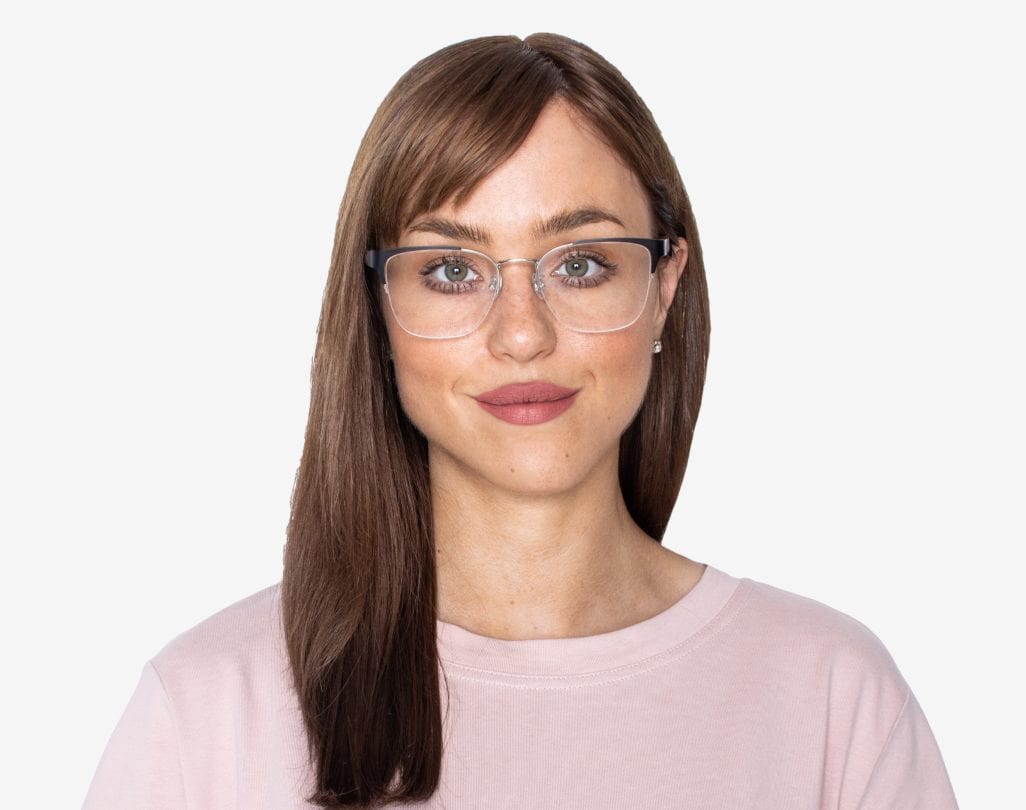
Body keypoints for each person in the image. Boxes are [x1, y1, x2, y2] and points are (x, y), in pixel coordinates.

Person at [82, 33, 959, 809]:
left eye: (578, 263)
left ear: (663, 290)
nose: (522, 333)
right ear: (378, 307)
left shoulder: (832, 701)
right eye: (453, 271)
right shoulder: (206, 714)